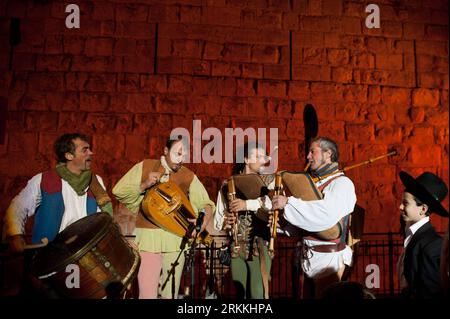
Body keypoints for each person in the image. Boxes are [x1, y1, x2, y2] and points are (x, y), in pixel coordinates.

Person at [112, 136, 214, 299]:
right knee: (147, 294)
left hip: (176, 241)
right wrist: (144, 184)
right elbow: (119, 191)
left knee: (170, 295)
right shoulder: (145, 166)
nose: (180, 159)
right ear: (166, 151)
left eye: (184, 155)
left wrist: (202, 222)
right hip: (148, 239)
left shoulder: (188, 175)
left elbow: (206, 203)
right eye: (177, 153)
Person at [271, 136, 356, 298]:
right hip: (306, 258)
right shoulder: (316, 184)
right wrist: (281, 223)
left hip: (328, 260)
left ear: (328, 154)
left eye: (312, 152)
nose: (308, 157)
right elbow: (305, 223)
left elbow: (324, 215)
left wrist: (288, 203)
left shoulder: (342, 184)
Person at [3, 133, 112, 253]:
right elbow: (17, 208)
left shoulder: (96, 182)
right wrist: (16, 236)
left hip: (84, 254)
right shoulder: (42, 180)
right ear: (69, 155)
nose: (91, 153)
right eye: (85, 150)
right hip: (49, 257)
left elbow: (102, 217)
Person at [213, 141, 273, 299]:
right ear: (246, 159)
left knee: (257, 294)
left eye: (263, 156)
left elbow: (272, 203)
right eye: (258, 156)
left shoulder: (269, 182)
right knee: (240, 295)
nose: (263, 160)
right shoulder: (228, 185)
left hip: (258, 247)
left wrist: (246, 204)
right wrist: (226, 220)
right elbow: (217, 221)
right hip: (236, 249)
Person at [397, 171, 448, 299]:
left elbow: (429, 293)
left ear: (423, 209)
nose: (400, 206)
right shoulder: (414, 236)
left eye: (405, 203)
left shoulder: (432, 245)